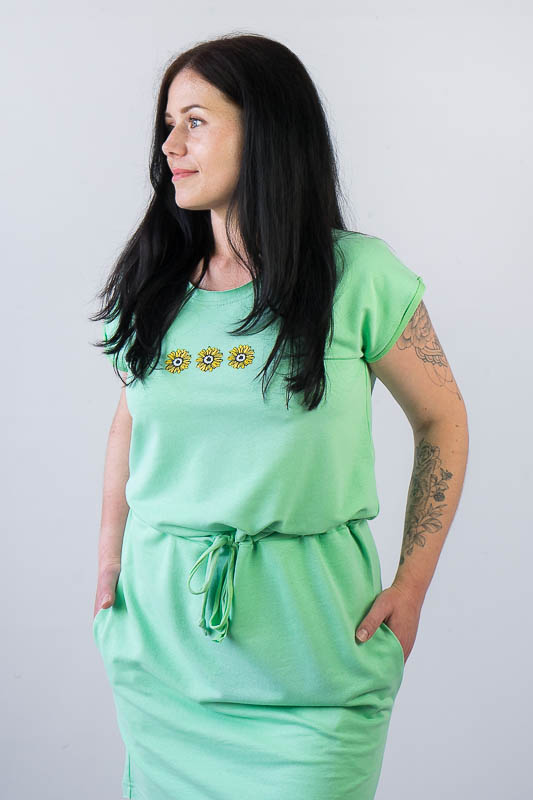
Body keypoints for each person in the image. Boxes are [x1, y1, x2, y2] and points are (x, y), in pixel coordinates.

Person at [90, 32, 469, 800]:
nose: (170, 145)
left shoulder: (358, 276)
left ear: (264, 129)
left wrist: (412, 586)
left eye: (195, 121)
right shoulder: (153, 281)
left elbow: (442, 421)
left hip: (314, 665)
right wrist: (108, 566)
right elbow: (132, 419)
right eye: (167, 124)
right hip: (162, 662)